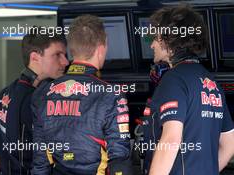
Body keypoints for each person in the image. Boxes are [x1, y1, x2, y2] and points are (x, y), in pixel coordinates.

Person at [31, 15, 133, 175]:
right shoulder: (112, 94)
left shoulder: (42, 93)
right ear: (101, 48)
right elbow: (120, 160)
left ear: (72, 49)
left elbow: (40, 162)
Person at [143, 5, 234, 175]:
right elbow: (230, 144)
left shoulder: (173, 80)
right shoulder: (211, 83)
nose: (152, 45)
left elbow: (171, 139)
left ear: (167, 40)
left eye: (154, 38)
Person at [0, 27, 69, 175]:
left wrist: (8, 162)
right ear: (35, 57)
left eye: (65, 54)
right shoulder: (40, 99)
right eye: (57, 55)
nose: (65, 61)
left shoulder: (7, 92)